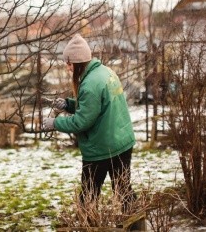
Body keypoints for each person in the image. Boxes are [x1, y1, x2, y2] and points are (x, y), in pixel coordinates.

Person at [42, 34, 136, 213]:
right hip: (121, 142)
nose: (68, 68)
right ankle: (136, 224)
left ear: (77, 63)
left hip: (101, 148)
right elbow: (95, 106)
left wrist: (55, 123)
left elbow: (81, 122)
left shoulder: (90, 84)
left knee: (88, 197)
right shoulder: (105, 72)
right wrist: (69, 104)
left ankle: (88, 225)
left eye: (69, 64)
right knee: (124, 192)